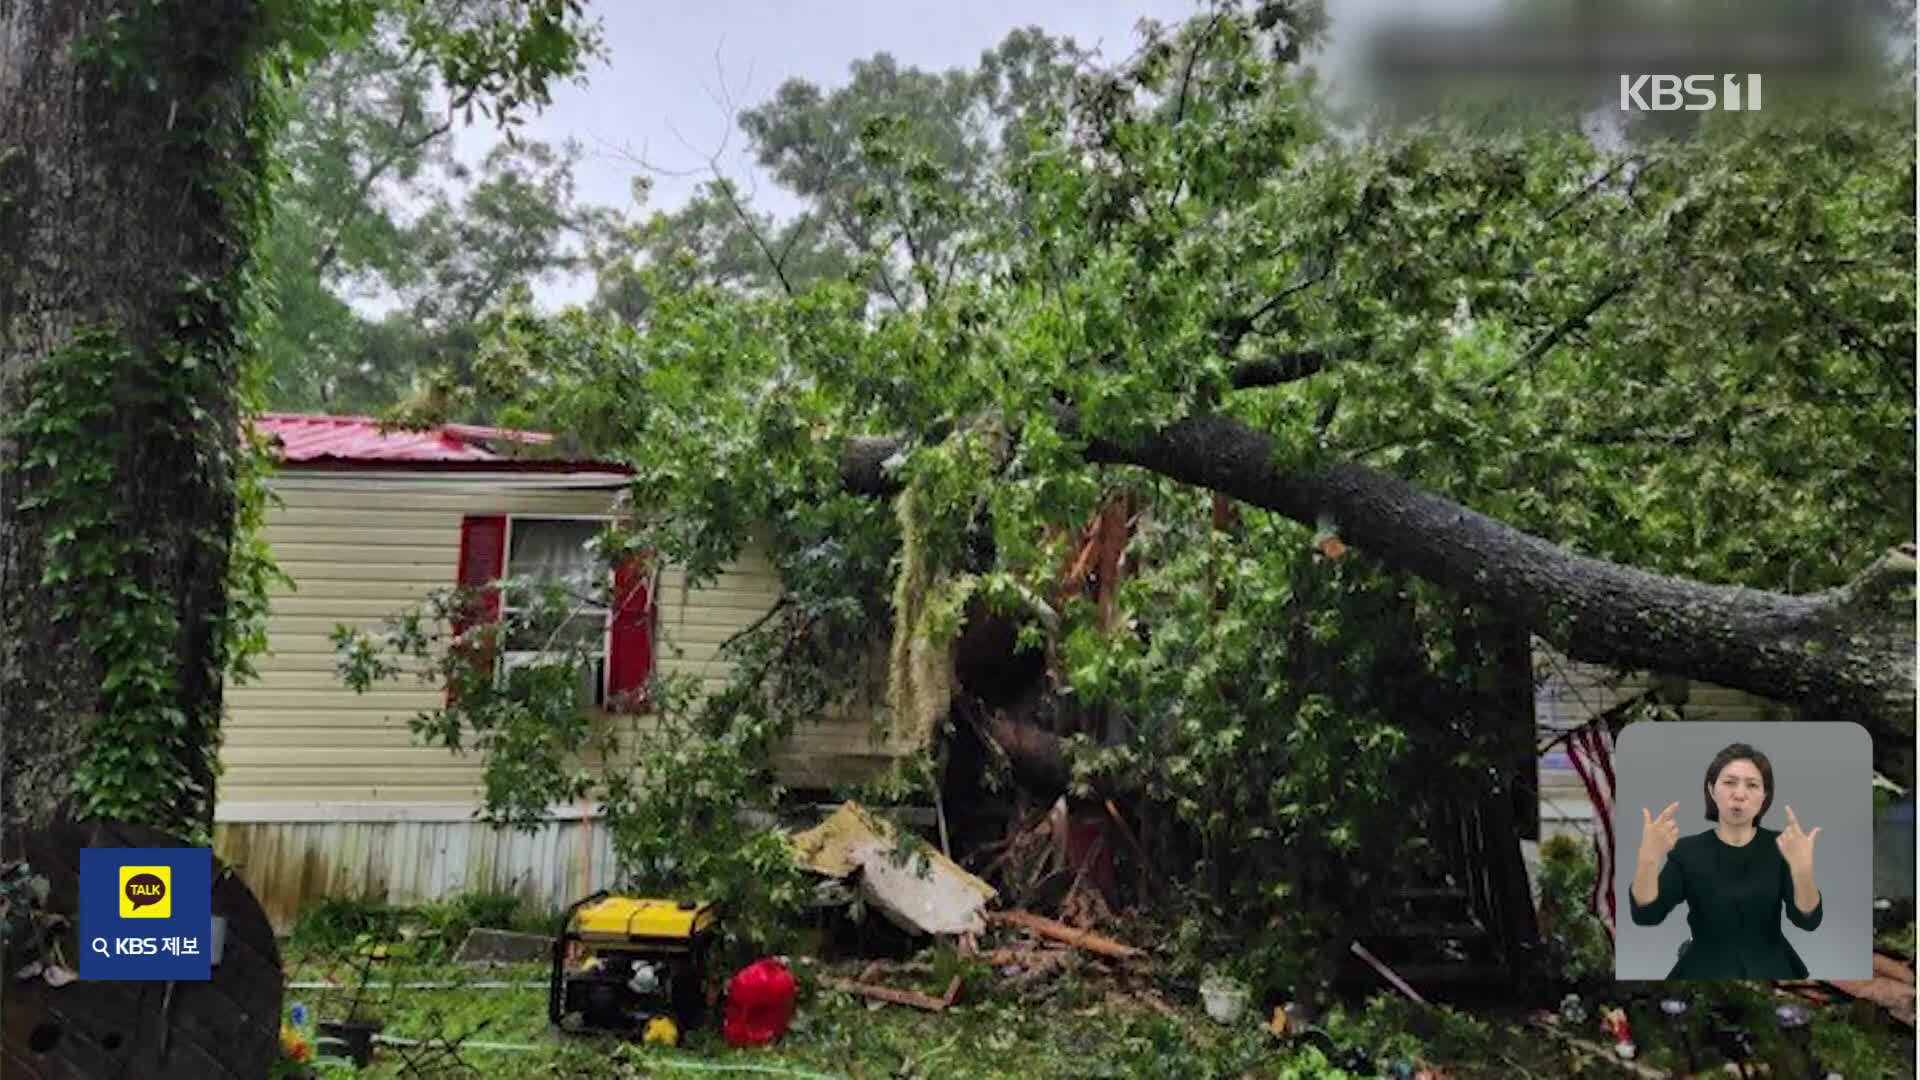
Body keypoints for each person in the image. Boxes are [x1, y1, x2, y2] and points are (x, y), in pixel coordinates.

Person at [1629, 742, 1823, 979]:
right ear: (1712, 790)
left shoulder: (1782, 847)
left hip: (1773, 967)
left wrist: (1803, 871)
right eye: (1729, 782)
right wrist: (1648, 860)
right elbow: (1647, 915)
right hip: (1703, 968)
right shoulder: (1687, 851)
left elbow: (1808, 921)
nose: (1739, 794)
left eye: (1752, 785)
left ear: (1764, 796)